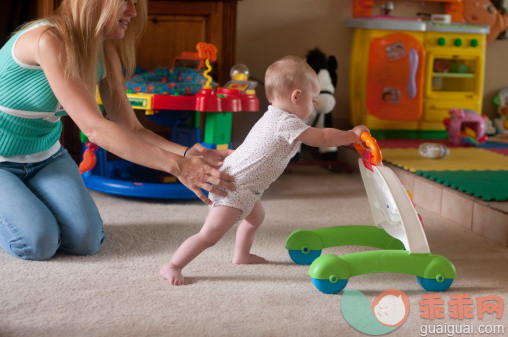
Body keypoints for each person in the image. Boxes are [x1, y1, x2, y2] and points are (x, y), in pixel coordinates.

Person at [0, 0, 235, 261]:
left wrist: (188, 152)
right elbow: (95, 129)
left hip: (45, 156)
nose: (134, 13)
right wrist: (178, 167)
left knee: (86, 241)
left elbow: (130, 127)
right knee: (37, 243)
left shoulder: (105, 51)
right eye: (126, 2)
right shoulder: (47, 40)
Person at [160, 56, 369, 285]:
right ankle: (173, 265)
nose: (313, 106)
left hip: (248, 189)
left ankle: (241, 255)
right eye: (314, 100)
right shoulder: (286, 122)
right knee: (209, 235)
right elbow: (323, 137)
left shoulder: (276, 115)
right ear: (296, 95)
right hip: (233, 186)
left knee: (256, 218)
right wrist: (351, 135)